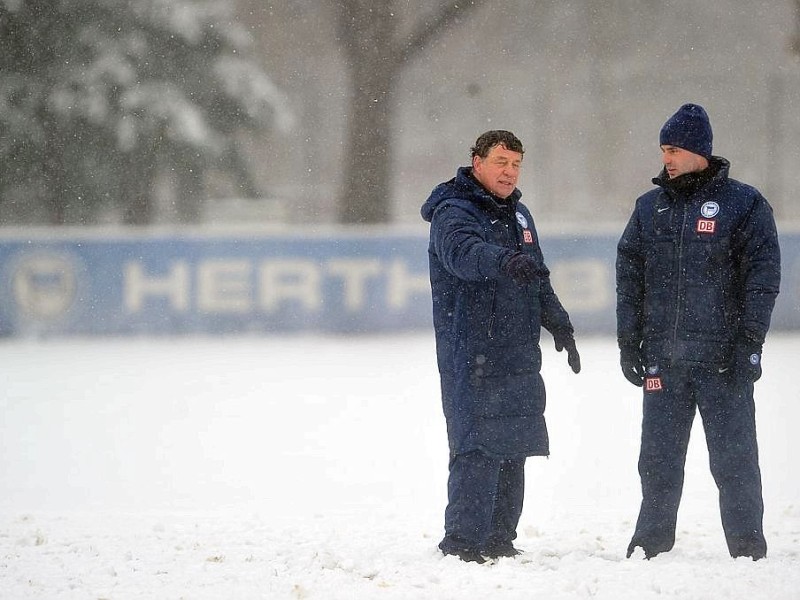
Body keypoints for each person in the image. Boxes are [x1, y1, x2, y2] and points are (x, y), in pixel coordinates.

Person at [616, 103, 781, 561]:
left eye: (674, 148)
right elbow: (629, 277)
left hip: (722, 361)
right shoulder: (650, 208)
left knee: (734, 461)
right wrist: (629, 341)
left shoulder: (744, 204)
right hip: (663, 363)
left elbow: (762, 279)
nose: (666, 157)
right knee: (657, 462)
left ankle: (748, 547)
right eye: (663, 148)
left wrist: (749, 343)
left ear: (699, 151)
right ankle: (651, 543)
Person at [421, 130, 581, 563]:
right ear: (477, 163)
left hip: (517, 352)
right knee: (477, 447)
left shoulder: (520, 216)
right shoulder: (453, 212)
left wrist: (558, 322)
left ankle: (498, 539)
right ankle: (463, 543)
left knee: (514, 445)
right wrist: (501, 259)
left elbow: (537, 274)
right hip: (472, 351)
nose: (509, 172)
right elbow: (463, 253)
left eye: (516, 164)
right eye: (500, 162)